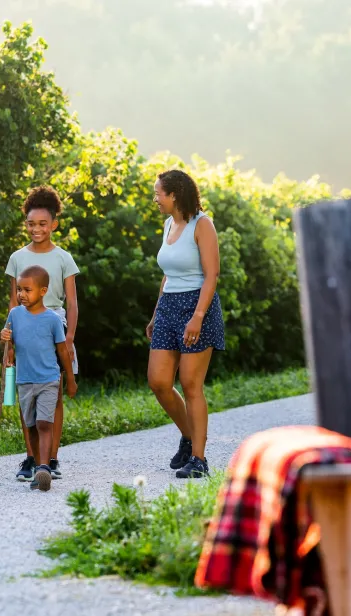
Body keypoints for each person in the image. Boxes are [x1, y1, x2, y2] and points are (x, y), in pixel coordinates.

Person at [146, 169, 225, 479]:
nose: (155, 199)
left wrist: (197, 317)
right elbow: (167, 275)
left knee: (191, 385)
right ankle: (189, 436)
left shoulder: (202, 225)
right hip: (168, 308)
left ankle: (199, 459)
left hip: (197, 307)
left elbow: (212, 275)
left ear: (174, 195)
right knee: (159, 382)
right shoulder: (169, 224)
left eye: (158, 194)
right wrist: (156, 313)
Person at [5, 187, 80, 482]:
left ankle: (52, 458)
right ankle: (31, 457)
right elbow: (14, 302)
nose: (37, 229)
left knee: (53, 392)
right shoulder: (17, 257)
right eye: (31, 223)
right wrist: (10, 341)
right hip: (24, 327)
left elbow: (72, 302)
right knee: (26, 394)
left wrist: (70, 337)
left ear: (54, 225)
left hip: (54, 326)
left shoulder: (63, 258)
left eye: (43, 224)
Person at [1, 265, 78, 492]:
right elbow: (9, 343)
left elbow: (63, 351)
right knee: (31, 425)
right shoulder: (14, 315)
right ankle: (35, 463)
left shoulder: (53, 319)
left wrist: (71, 379)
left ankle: (44, 467)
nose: (21, 294)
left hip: (49, 379)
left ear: (43, 291)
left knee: (45, 423)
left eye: (27, 290)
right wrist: (5, 337)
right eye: (19, 289)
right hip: (24, 379)